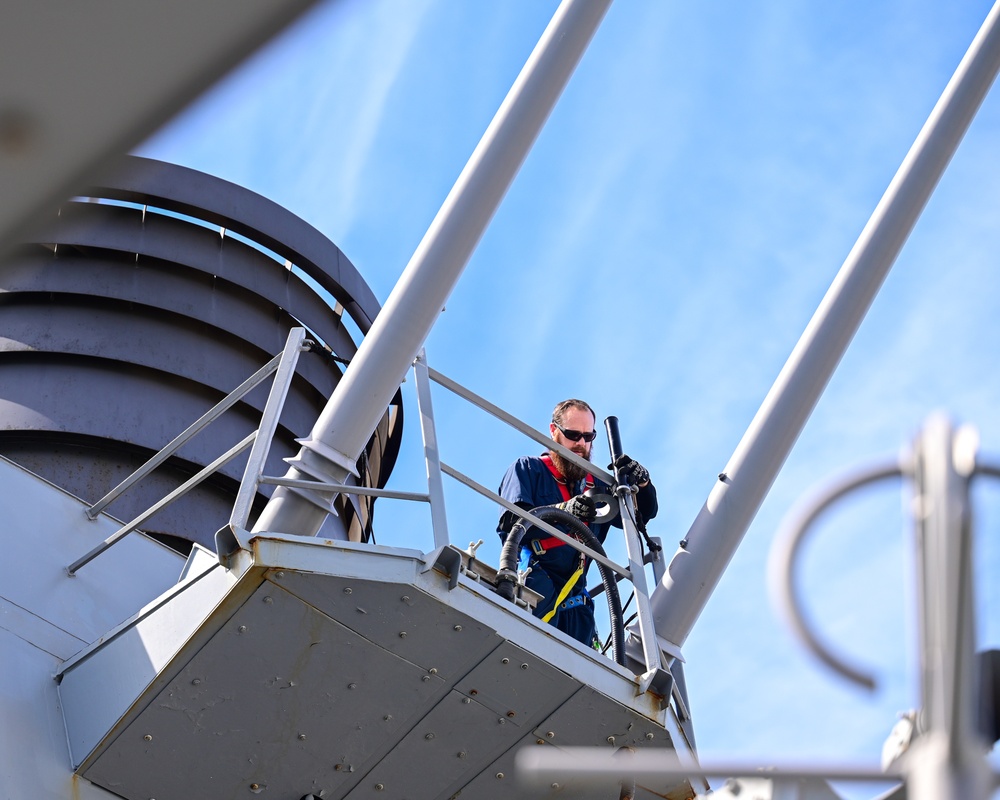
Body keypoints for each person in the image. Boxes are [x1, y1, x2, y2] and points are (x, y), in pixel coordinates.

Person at [496, 399, 657, 648]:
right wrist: (563, 511)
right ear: (554, 432)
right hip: (535, 586)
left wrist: (643, 484)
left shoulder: (597, 486)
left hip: (577, 604)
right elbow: (511, 524)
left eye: (587, 436)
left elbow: (638, 519)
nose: (581, 444)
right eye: (572, 435)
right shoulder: (528, 469)